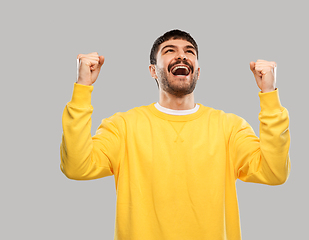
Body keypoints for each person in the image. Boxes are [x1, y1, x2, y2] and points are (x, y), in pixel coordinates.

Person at [60, 29, 290, 240]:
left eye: (189, 52)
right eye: (170, 51)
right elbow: (76, 166)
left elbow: (274, 172)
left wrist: (268, 94)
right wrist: (83, 87)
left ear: (197, 72)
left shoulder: (229, 127)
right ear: (153, 71)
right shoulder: (123, 126)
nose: (182, 56)